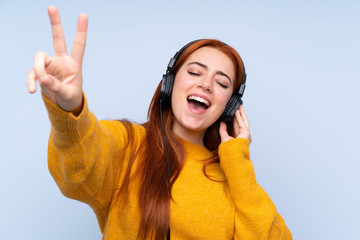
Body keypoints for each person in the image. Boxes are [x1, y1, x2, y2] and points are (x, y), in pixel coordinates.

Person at [27, 5, 292, 240]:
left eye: (222, 83)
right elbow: (78, 168)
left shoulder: (235, 179)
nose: (206, 84)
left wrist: (238, 161)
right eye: (195, 72)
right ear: (169, 83)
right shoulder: (128, 144)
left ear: (230, 106)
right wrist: (68, 107)